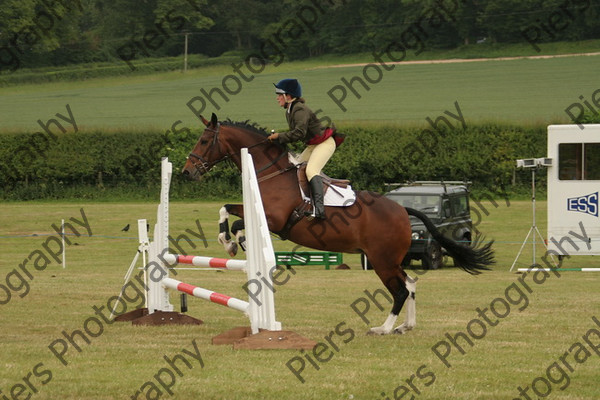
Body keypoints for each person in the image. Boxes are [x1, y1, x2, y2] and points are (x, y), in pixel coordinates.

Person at [268, 78, 336, 220]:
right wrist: (278, 139)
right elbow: (295, 135)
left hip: (325, 144)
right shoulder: (290, 110)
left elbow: (299, 133)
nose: (277, 98)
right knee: (295, 167)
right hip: (313, 145)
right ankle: (302, 202)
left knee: (311, 171)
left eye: (280, 95)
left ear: (288, 96)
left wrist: (278, 136)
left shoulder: (299, 109)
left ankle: (319, 210)